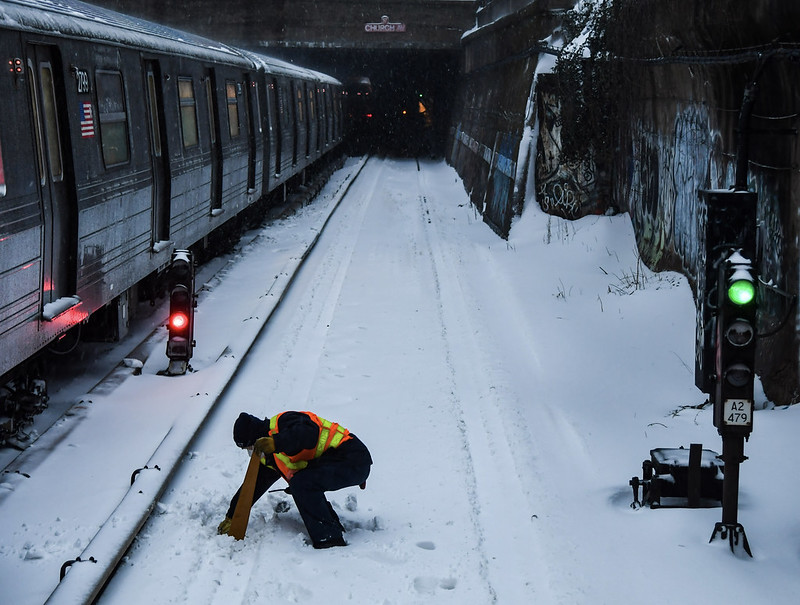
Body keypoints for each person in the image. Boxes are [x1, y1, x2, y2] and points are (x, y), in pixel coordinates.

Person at [217, 411, 372, 549]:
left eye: (250, 448)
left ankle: (329, 539)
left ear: (258, 438)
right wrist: (233, 514)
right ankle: (332, 528)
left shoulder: (284, 422)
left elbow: (308, 434)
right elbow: (254, 486)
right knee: (302, 483)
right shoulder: (273, 457)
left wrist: (276, 443)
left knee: (302, 483)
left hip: (352, 458)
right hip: (338, 463)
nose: (252, 453)